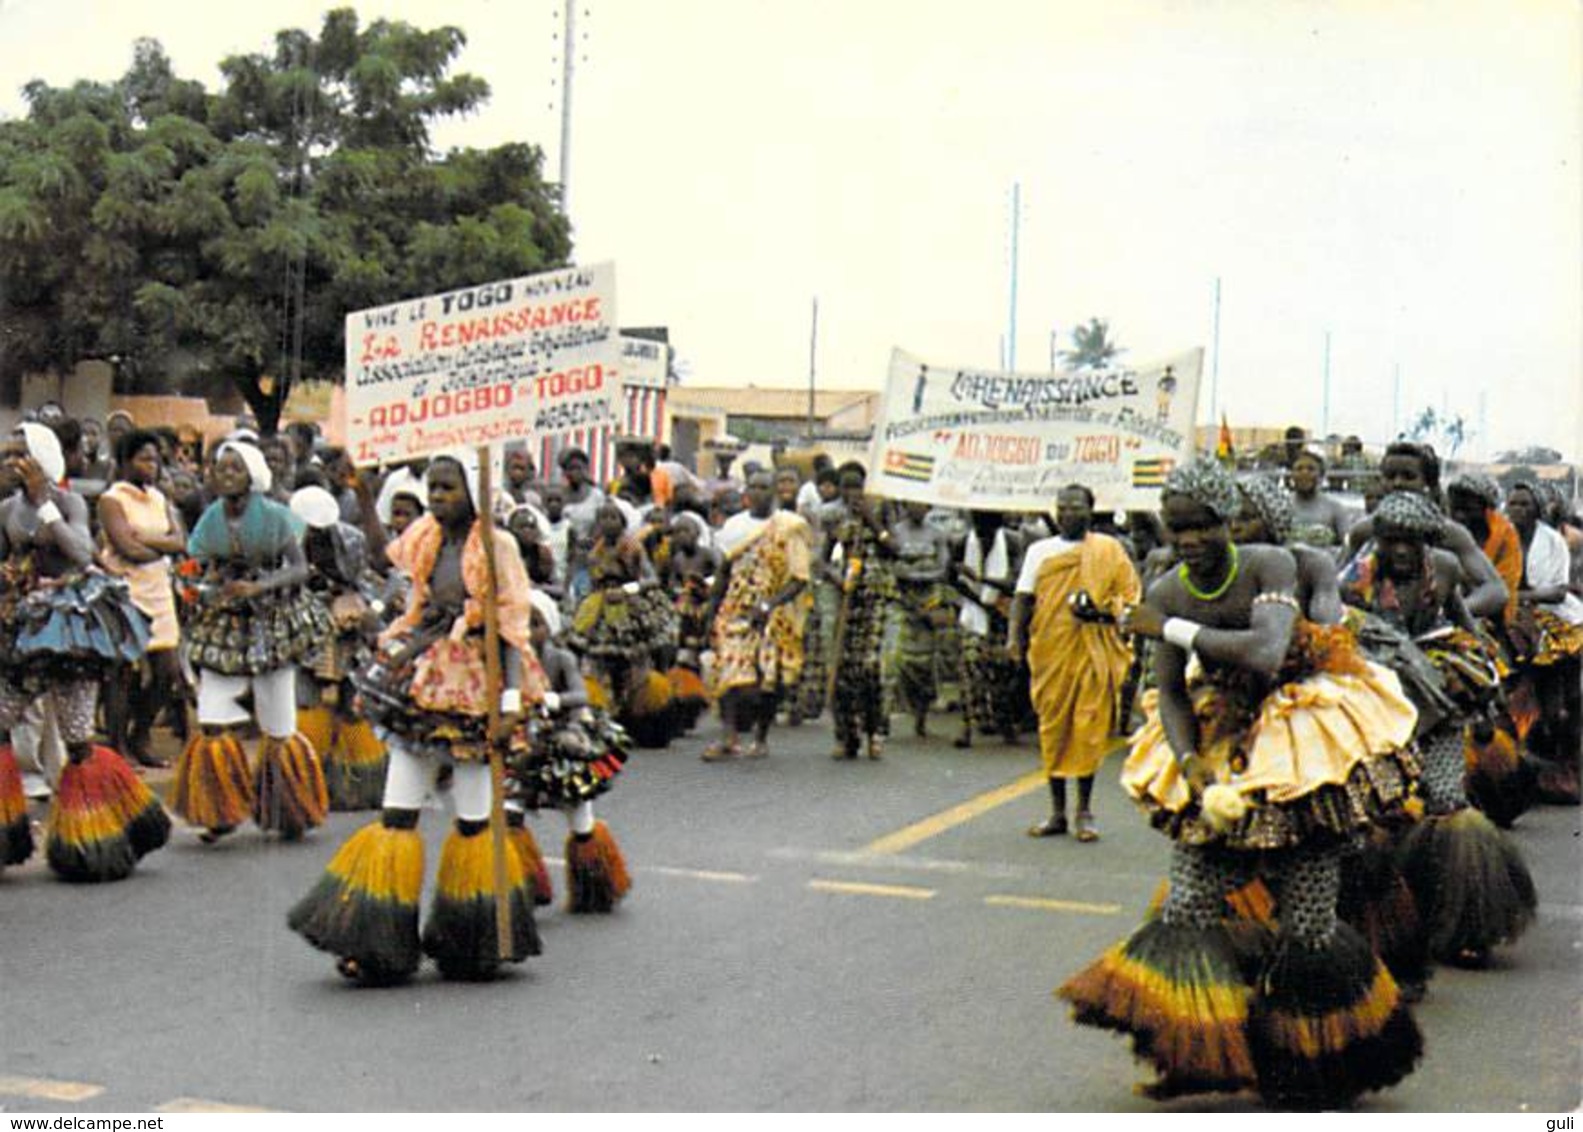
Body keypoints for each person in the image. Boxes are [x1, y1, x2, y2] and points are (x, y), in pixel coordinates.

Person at [1060, 461, 1423, 1107]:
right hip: (1219, 735)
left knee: (1306, 921)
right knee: (1188, 907)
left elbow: (1264, 649)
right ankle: (1193, 1054)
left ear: (1227, 523)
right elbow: (1168, 690)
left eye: (1203, 526)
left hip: (1300, 740)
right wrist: (1189, 762)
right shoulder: (1167, 587)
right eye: (1178, 529)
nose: (1191, 540)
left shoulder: (1269, 565)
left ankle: (1317, 1062)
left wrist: (1168, 627)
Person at [289, 451, 547, 984]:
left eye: (449, 488)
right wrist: (363, 492)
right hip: (423, 682)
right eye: (434, 488)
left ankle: (475, 938)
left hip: (476, 690)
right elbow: (395, 570)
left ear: (474, 492)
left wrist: (507, 708)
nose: (437, 498)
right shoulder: (427, 539)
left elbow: (514, 631)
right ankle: (375, 940)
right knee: (397, 814)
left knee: (474, 821)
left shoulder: (498, 547)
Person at [1339, 491, 1536, 965]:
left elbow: (1467, 624)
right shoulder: (1355, 578)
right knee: (1375, 814)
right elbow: (1332, 629)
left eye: (1412, 542)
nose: (1402, 551)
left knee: (1447, 803)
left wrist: (1483, 690)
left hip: (1436, 700)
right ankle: (1383, 932)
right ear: (1379, 539)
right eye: (1392, 541)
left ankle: (1465, 923)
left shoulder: (1445, 568)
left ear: (1427, 541)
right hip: (1376, 701)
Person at [0, 424, 169, 882]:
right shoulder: (6, 510)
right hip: (21, 632)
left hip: (71, 631)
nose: (11, 462)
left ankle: (100, 834)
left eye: (21, 455)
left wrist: (45, 503)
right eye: (8, 455)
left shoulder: (71, 502)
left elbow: (83, 553)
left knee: (78, 739)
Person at [172, 441, 332, 844]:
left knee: (278, 724)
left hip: (272, 625)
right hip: (224, 624)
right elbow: (194, 562)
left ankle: (288, 808)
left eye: (234, 468)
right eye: (220, 468)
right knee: (211, 717)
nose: (225, 475)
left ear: (252, 475)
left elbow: (299, 568)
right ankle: (219, 809)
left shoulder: (276, 518)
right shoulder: (211, 518)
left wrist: (259, 586)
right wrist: (199, 584)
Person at [1009, 486, 1139, 841]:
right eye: (1063, 508)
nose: (1069, 514)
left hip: (1093, 651)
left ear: (1091, 510)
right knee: (1052, 729)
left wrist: (1098, 611)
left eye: (1076, 507)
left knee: (1087, 727)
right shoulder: (1041, 551)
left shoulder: (1109, 550)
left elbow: (1129, 600)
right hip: (1051, 651)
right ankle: (1056, 812)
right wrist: (1013, 639)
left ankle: (1084, 810)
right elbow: (1022, 599)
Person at [506, 591, 631, 912]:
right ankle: (522, 883)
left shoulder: (561, 658)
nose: (530, 631)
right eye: (522, 622)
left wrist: (556, 702)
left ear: (549, 626)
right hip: (522, 744)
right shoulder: (509, 659)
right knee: (510, 811)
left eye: (536, 623)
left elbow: (580, 694)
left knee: (579, 815)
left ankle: (595, 881)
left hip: (561, 741)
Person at [291, 485, 389, 812]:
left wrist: (361, 607)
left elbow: (369, 579)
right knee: (307, 704)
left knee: (352, 704)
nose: (318, 537)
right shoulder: (280, 544)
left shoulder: (351, 540)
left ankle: (359, 786)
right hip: (302, 632)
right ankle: (304, 785)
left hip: (349, 632)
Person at [703, 471, 812, 761]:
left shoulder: (789, 527)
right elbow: (724, 570)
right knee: (728, 668)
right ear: (746, 492)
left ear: (775, 492)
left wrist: (770, 604)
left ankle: (761, 737)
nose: (760, 492)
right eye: (754, 487)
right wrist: (712, 608)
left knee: (767, 678)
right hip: (735, 608)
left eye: (766, 486)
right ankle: (729, 736)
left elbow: (800, 578)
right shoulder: (734, 526)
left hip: (773, 612)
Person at [98, 428, 188, 769]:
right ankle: (117, 743)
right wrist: (159, 544)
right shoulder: (112, 499)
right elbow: (126, 548)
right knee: (123, 672)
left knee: (167, 671)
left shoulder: (160, 498)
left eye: (155, 459)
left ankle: (141, 734)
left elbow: (181, 542)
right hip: (126, 591)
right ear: (125, 462)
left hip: (158, 589)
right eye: (144, 459)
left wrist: (149, 544)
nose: (152, 466)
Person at [565, 500, 676, 747]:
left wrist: (627, 590)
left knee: (634, 667)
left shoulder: (632, 545)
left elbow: (651, 578)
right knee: (599, 666)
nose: (607, 523)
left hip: (630, 612)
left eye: (613, 518)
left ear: (623, 522)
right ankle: (607, 720)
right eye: (603, 518)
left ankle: (641, 720)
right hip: (600, 611)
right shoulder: (596, 548)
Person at [1504, 481, 1583, 798]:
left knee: (1557, 706)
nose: (1517, 510)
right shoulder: (1501, 539)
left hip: (1556, 620)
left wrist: (1521, 596)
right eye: (1513, 504)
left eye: (1524, 504)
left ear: (1537, 509)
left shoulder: (1553, 542)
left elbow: (1558, 591)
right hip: (1511, 615)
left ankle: (1567, 768)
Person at [824, 467, 895, 760]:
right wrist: (837, 578)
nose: (852, 493)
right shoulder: (835, 519)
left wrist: (871, 519)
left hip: (874, 597)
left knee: (868, 668)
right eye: (847, 488)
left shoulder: (881, 512)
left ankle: (874, 733)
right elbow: (822, 560)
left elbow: (894, 549)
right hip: (847, 598)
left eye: (857, 487)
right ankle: (846, 736)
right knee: (843, 670)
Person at [952, 511, 1027, 749]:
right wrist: (978, 598)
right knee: (970, 665)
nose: (984, 539)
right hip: (974, 613)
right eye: (981, 533)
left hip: (1003, 613)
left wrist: (982, 579)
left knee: (1003, 670)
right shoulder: (963, 541)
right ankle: (967, 726)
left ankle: (1004, 723)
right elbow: (952, 577)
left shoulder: (1013, 542)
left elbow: (1016, 583)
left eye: (989, 534)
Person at [886, 501, 955, 737]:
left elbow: (943, 568)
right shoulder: (895, 532)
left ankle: (921, 715)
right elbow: (891, 567)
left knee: (924, 663)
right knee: (895, 660)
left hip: (928, 603)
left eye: (921, 505)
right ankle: (886, 714)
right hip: (901, 600)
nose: (916, 509)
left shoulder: (937, 534)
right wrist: (908, 574)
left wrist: (916, 572)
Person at [1287, 449, 1354, 550]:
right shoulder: (1280, 505)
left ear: (1321, 476)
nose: (1304, 473)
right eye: (1299, 469)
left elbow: (1348, 544)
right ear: (1292, 475)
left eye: (1311, 469)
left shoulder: (1335, 508)